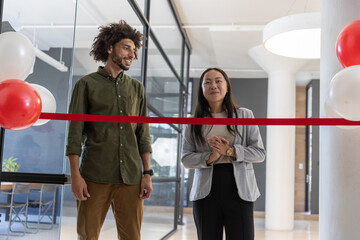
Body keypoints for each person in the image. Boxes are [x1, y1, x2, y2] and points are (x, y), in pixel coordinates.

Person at [66, 20, 153, 240]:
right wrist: (75, 175)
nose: (132, 54)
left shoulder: (137, 88)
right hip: (95, 175)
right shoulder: (86, 84)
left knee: (132, 236)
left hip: (131, 177)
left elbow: (143, 133)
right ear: (109, 48)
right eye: (126, 47)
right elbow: (75, 132)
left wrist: (147, 174)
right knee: (87, 236)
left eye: (134, 50)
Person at [181, 68, 266, 240]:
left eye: (218, 81)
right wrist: (209, 157)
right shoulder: (192, 122)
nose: (213, 85)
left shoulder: (245, 115)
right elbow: (186, 159)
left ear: (227, 86)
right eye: (208, 82)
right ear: (202, 89)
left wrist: (230, 151)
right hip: (206, 192)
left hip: (240, 189)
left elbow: (259, 153)